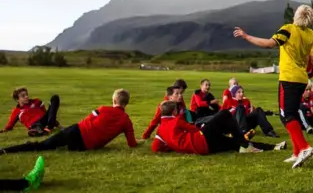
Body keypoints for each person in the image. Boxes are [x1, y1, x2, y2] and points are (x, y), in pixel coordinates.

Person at [233, 4, 313, 168]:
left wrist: (246, 36)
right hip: (302, 79)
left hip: (288, 78)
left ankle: (305, 147)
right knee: (289, 113)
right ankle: (296, 152)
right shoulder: (311, 34)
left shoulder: (288, 29)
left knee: (288, 116)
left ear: (296, 15)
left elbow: (268, 43)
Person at [0, 89, 143, 154]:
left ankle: (6, 150)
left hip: (77, 131)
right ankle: (48, 127)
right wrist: (139, 141)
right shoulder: (127, 121)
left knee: (43, 145)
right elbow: (131, 144)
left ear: (114, 100)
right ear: (126, 103)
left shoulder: (103, 109)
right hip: (84, 147)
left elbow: (88, 119)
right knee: (55, 146)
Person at [151, 101, 285, 155]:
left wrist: (172, 146)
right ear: (174, 112)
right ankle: (244, 141)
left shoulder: (160, 131)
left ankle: (274, 147)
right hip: (201, 140)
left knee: (235, 144)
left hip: (204, 149)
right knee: (225, 113)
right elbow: (195, 130)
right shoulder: (176, 121)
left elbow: (156, 148)